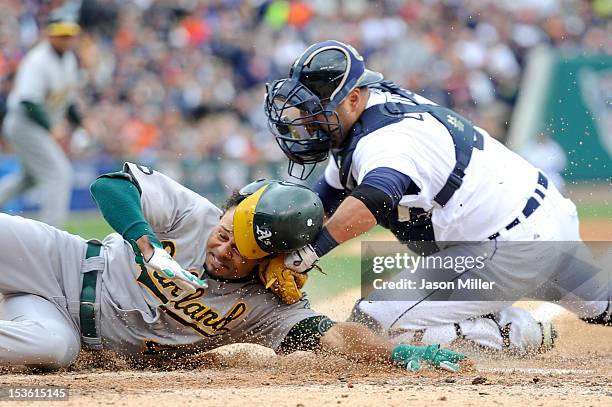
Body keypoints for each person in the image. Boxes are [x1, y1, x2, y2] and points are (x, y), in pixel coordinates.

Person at [263, 40, 610, 352]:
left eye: (314, 110)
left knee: (372, 323)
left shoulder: (384, 140)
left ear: (353, 98)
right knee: (602, 305)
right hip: (544, 219)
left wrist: (305, 255)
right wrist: (273, 246)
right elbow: (324, 198)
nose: (307, 122)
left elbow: (372, 201)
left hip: (504, 248)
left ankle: (511, 332)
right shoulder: (374, 106)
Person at [0, 162, 465, 372]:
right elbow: (112, 186)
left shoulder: (269, 305)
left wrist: (397, 355)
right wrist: (145, 242)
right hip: (61, 261)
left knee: (49, 349)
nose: (221, 249)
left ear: (269, 263)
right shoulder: (194, 214)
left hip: (66, 328)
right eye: (224, 233)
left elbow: (334, 335)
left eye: (239, 251)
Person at [0, 9, 87, 228]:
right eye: (62, 34)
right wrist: (51, 127)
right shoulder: (38, 60)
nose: (67, 39)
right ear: (50, 34)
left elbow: (65, 99)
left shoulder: (68, 60)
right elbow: (27, 101)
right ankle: (52, 235)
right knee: (58, 173)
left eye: (70, 34)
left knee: (28, 178)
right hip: (24, 124)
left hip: (34, 125)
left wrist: (80, 121)